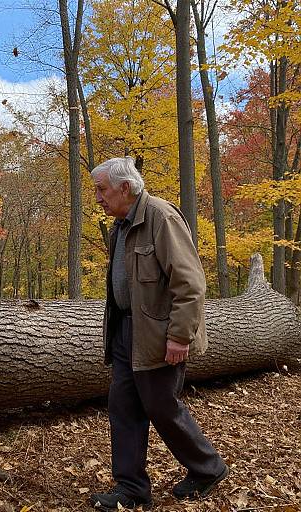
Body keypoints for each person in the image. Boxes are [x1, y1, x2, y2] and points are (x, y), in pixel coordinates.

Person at [89, 157, 228, 511]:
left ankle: (207, 468)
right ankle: (131, 487)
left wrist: (180, 336)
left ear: (125, 187)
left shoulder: (160, 217)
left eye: (102, 190)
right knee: (123, 407)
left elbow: (191, 283)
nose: (97, 198)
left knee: (161, 407)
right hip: (124, 331)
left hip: (158, 333)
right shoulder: (120, 225)